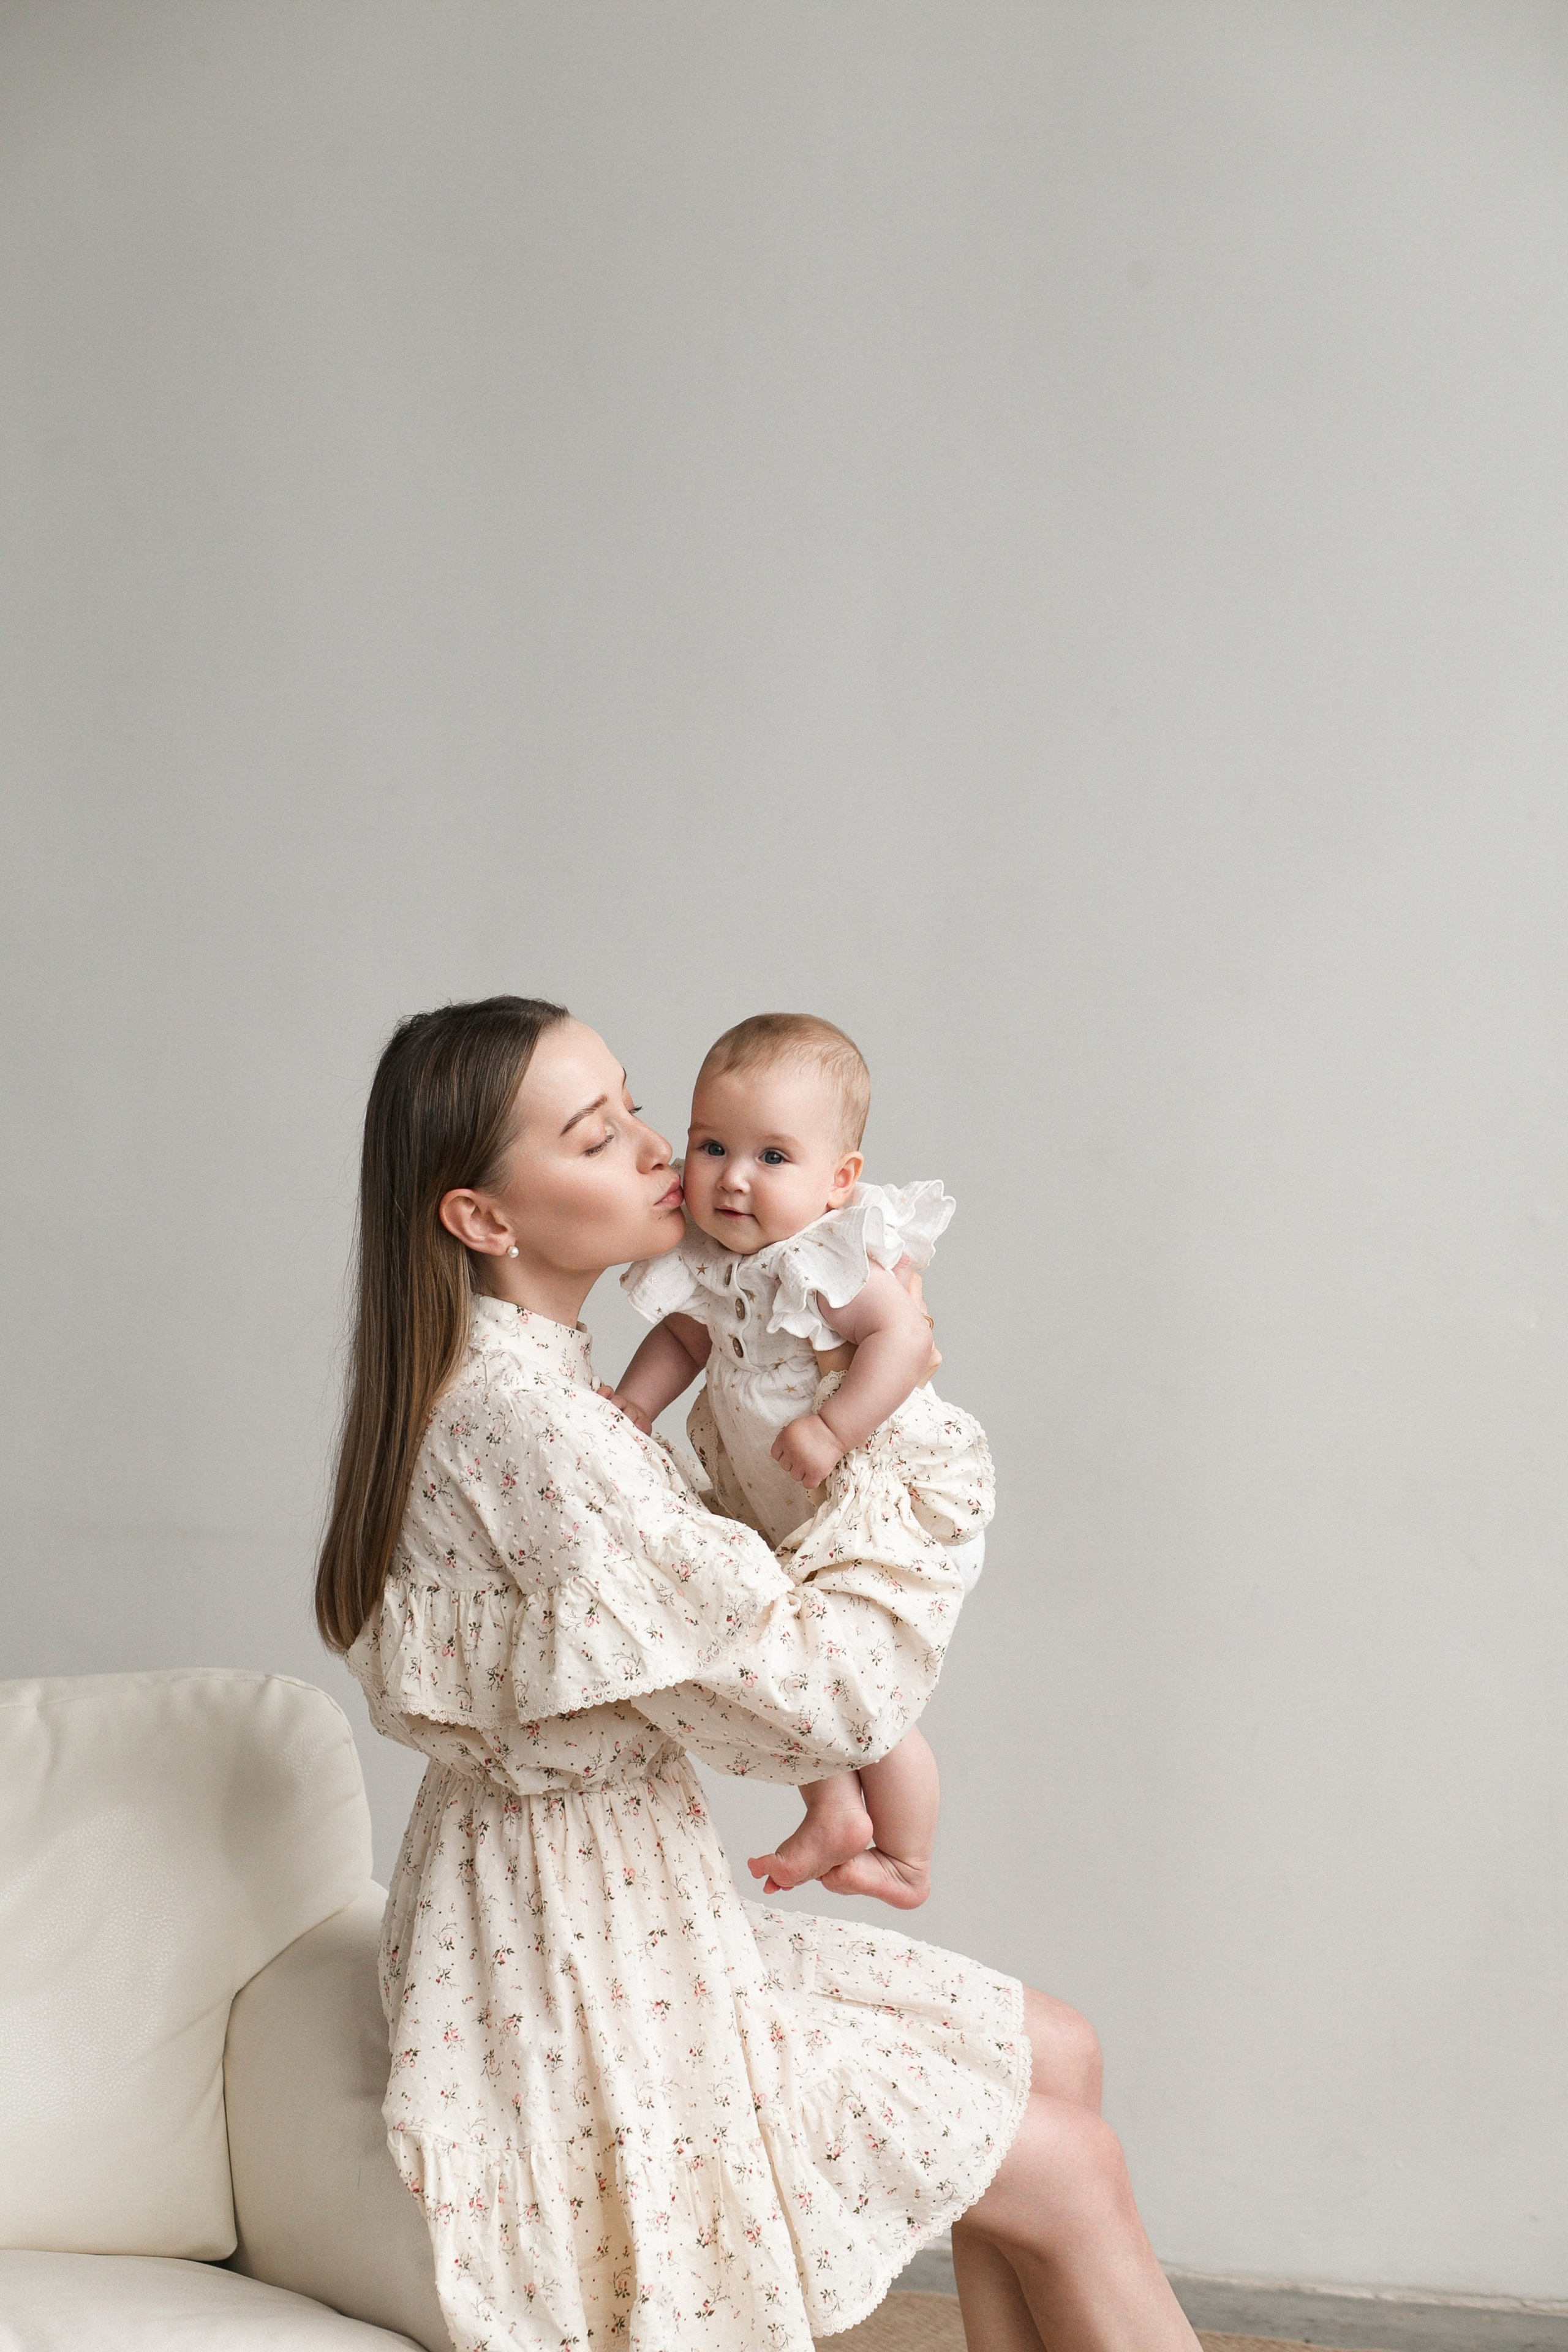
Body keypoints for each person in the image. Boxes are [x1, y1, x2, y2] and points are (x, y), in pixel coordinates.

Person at [316, 993, 1201, 2352]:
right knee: (1066, 2166)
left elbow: (715, 1626)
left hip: (607, 1905)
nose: (651, 1148)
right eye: (590, 1133)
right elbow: (821, 1697)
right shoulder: (540, 1426)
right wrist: (909, 1470)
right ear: (484, 1221)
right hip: (578, 1960)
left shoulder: (533, 1381)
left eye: (629, 1104)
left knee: (1057, 2050)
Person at [609, 1009, 986, 1911]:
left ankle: (907, 1861)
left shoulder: (831, 1258)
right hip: (775, 1501)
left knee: (869, 1700)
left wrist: (836, 1427)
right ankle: (834, 1813)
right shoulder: (713, 1260)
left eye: (772, 1157)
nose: (733, 1179)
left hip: (861, 1493)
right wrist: (634, 1404)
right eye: (709, 1146)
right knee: (795, 1669)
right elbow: (685, 1338)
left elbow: (901, 1340)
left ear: (838, 1180)